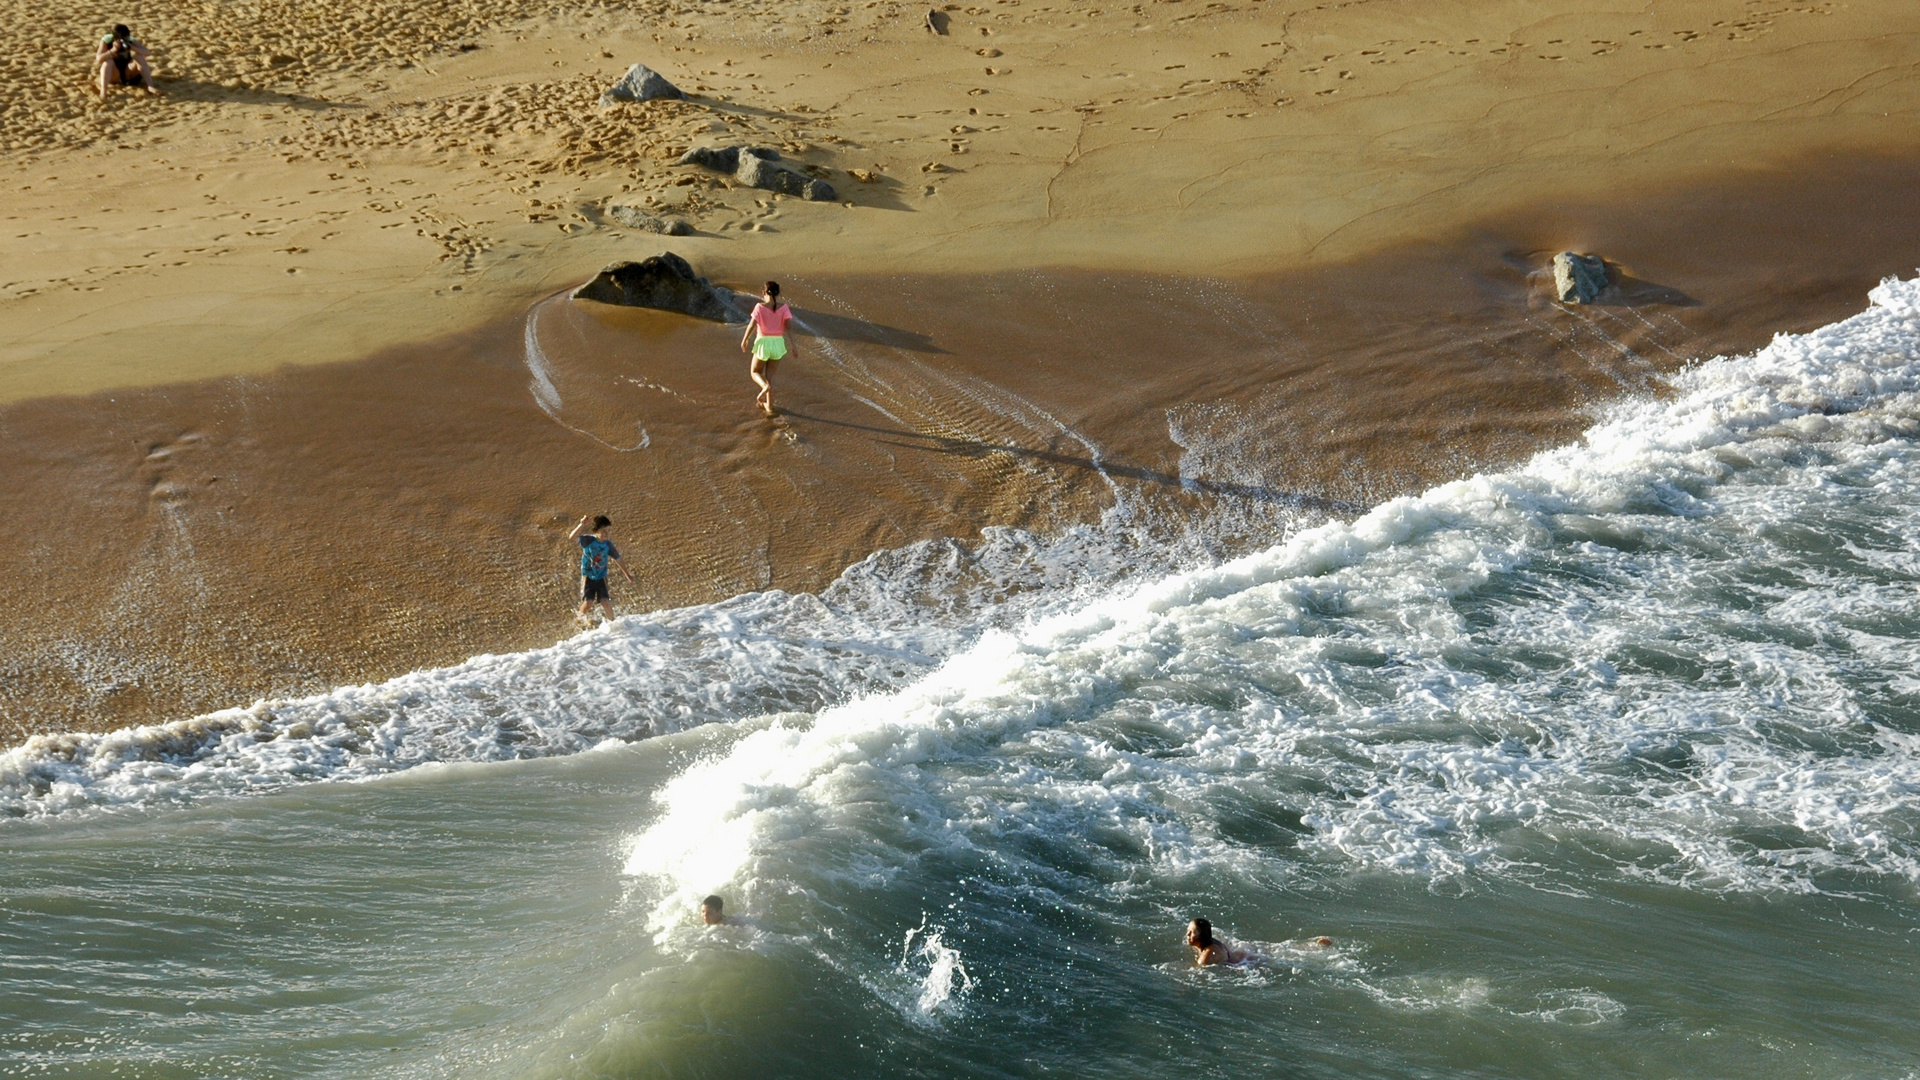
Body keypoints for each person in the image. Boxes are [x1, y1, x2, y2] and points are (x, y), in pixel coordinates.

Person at [738, 280, 797, 417]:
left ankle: (764, 387)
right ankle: (769, 406)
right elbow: (789, 328)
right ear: (778, 293)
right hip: (778, 344)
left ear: (763, 292)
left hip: (764, 343)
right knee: (770, 376)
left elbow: (751, 325)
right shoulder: (784, 308)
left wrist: (745, 339)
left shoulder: (759, 307)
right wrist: (794, 346)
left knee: (755, 372)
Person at [568, 514, 634, 621]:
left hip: (602, 577)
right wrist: (581, 525)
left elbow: (618, 558)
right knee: (588, 603)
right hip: (588, 577)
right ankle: (578, 620)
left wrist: (627, 575)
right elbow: (572, 537)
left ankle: (614, 624)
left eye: (608, 531)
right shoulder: (588, 540)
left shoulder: (608, 545)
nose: (607, 534)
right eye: (604, 531)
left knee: (606, 603)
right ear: (596, 530)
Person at [94, 25, 159, 99]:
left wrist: (132, 47)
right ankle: (103, 91)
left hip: (128, 71)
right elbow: (99, 59)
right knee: (108, 62)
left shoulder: (130, 39)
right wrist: (113, 50)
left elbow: (147, 52)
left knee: (139, 57)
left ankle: (150, 86)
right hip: (114, 73)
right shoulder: (107, 40)